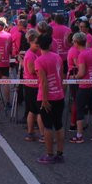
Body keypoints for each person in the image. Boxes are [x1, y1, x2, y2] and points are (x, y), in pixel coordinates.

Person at [35, 33, 66, 164]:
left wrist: (45, 100)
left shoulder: (39, 61)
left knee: (48, 126)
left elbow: (44, 82)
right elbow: (61, 76)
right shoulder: (58, 57)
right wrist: (61, 91)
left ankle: (49, 154)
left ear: (38, 45)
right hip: (59, 95)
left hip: (47, 97)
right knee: (58, 124)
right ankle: (59, 153)